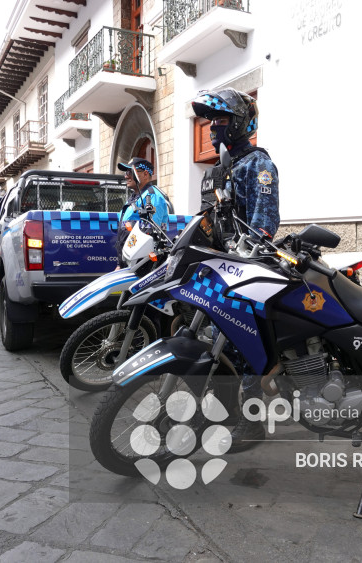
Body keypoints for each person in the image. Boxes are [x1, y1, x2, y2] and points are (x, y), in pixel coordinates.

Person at [191, 87, 280, 451]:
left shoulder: (257, 164)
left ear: (240, 122)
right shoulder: (220, 169)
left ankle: (252, 422)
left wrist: (245, 258)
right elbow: (209, 220)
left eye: (221, 119)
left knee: (244, 348)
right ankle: (222, 412)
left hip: (244, 270)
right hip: (219, 269)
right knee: (215, 343)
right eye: (211, 119)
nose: (213, 126)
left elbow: (263, 224)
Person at [114, 157, 170, 269]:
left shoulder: (152, 196)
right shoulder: (134, 197)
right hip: (129, 262)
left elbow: (151, 233)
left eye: (131, 172)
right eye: (126, 172)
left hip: (143, 265)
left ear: (145, 174)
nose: (126, 176)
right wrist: (120, 264)